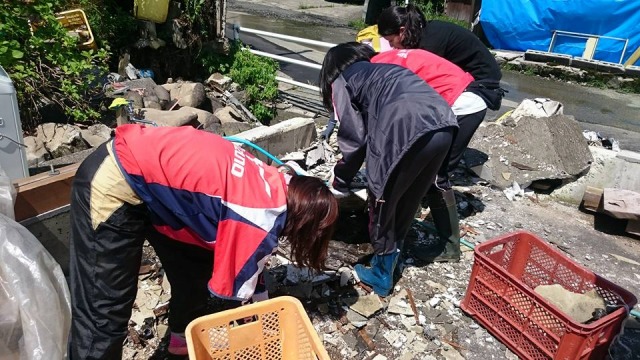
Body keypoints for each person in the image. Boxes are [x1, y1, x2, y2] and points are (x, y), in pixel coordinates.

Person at [68, 124, 339, 359]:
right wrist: (257, 332)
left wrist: (260, 296)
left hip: (159, 187)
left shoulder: (278, 181)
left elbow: (254, 268)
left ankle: (180, 341)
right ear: (305, 226)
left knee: (195, 268)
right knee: (104, 313)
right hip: (115, 178)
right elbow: (235, 293)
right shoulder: (257, 217)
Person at [320, 42, 458, 296]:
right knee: (409, 197)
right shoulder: (382, 70)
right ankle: (394, 257)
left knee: (381, 199)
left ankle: (381, 274)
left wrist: (340, 181)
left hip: (406, 126)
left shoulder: (341, 81)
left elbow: (355, 138)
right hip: (445, 123)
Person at [377, 5, 505, 262]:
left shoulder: (428, 44)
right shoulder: (422, 35)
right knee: (430, 166)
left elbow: (419, 94)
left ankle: (450, 247)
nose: (391, 48)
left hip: (475, 91)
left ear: (402, 31)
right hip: (463, 92)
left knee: (437, 173)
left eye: (391, 41)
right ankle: (425, 203)